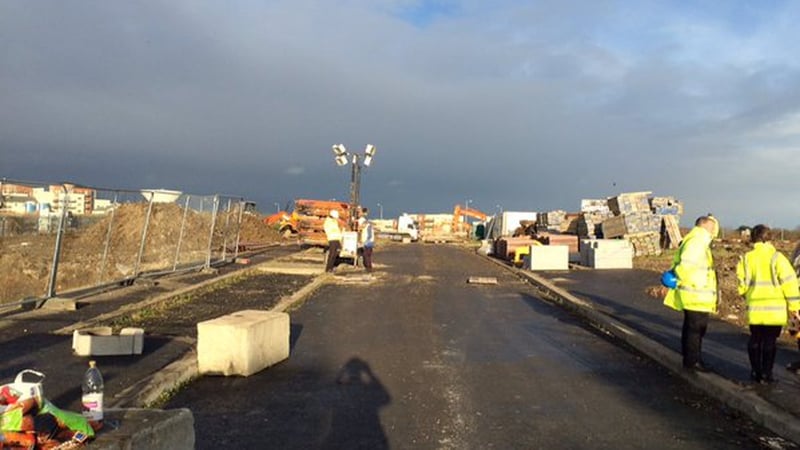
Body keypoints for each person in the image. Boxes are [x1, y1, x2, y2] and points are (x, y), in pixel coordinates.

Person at [736, 225, 800, 383]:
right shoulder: (777, 258)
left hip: (754, 308)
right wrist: (794, 308)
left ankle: (755, 371)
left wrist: (748, 295)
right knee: (770, 342)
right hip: (774, 310)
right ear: (769, 238)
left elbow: (741, 283)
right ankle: (766, 373)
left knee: (755, 339)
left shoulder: (746, 258)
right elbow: (790, 284)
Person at [664, 215, 720, 371]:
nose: (714, 232)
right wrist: (681, 278)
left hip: (697, 294)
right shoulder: (697, 242)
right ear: (706, 227)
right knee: (695, 330)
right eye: (712, 228)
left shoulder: (697, 240)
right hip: (696, 293)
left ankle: (692, 358)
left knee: (693, 329)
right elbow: (686, 265)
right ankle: (692, 361)